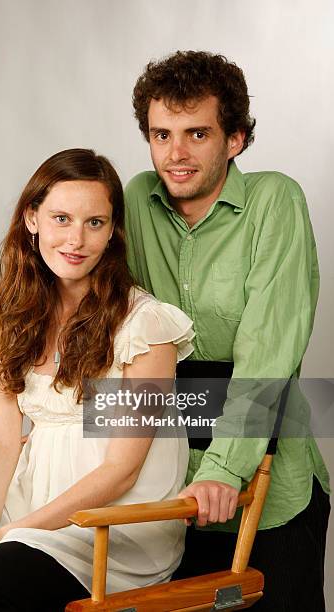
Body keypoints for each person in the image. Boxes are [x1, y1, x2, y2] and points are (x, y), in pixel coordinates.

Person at [0, 148, 195, 611]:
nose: (76, 239)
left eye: (95, 223)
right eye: (62, 218)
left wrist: (13, 534)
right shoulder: (17, 317)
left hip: (111, 522)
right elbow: (1, 440)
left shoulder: (145, 326)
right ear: (32, 218)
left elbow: (122, 468)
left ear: (112, 231)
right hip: (28, 501)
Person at [124, 51, 331, 611]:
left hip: (265, 485)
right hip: (166, 487)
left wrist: (221, 469)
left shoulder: (274, 200)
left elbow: (269, 351)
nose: (176, 153)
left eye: (197, 133)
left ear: (235, 139)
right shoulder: (136, 201)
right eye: (161, 134)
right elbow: (108, 329)